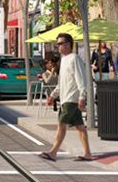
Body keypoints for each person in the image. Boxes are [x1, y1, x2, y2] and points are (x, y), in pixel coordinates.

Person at [39, 33, 94, 162]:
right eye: (57, 43)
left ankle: (53, 152)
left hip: (71, 99)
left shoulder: (75, 58)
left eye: (60, 43)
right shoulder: (64, 60)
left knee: (61, 124)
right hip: (65, 99)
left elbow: (81, 79)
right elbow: (61, 82)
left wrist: (82, 96)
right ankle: (87, 153)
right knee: (80, 127)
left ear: (68, 44)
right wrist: (53, 95)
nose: (57, 46)